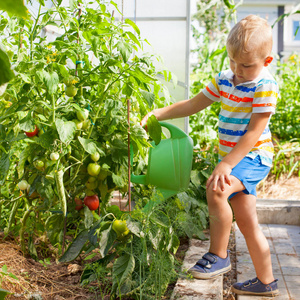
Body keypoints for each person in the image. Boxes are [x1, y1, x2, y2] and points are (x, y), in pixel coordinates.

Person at [141, 15, 279, 296]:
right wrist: (157, 115)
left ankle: (218, 256)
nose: (238, 70)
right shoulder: (226, 80)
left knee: (216, 189)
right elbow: (193, 104)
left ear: (266, 62)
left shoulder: (264, 86)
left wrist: (226, 163)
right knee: (247, 220)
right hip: (235, 159)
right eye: (233, 61)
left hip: (254, 156)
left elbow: (253, 133)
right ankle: (267, 282)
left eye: (246, 65)